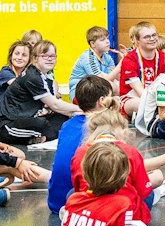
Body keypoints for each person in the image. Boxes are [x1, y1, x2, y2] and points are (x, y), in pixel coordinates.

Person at [47, 75, 117, 214]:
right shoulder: (103, 129)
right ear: (101, 101)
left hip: (56, 201)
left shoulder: (67, 125)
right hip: (82, 203)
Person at [0, 39, 82, 146]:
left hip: (26, 118)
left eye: (52, 56)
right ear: (35, 58)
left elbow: (55, 107)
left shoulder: (46, 76)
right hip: (6, 126)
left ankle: (42, 137)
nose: (49, 59)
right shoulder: (32, 76)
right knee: (42, 124)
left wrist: (75, 114)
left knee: (61, 117)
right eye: (44, 56)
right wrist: (81, 109)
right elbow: (54, 104)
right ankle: (42, 137)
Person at [116, 22, 165, 117]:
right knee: (140, 104)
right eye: (147, 37)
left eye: (154, 35)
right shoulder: (129, 59)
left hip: (157, 96)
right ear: (137, 40)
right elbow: (139, 90)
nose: (152, 39)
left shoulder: (163, 57)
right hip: (132, 97)